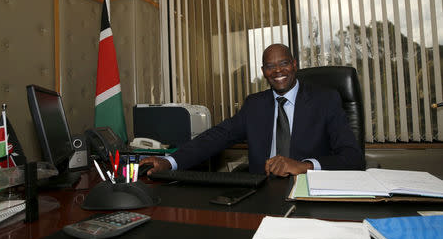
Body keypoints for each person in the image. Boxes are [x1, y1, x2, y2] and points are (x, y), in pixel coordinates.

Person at [140, 43, 365, 176]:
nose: (278, 70)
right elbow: (216, 136)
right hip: (262, 193)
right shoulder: (255, 105)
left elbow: (353, 158)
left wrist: (305, 166)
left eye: (284, 63)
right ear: (263, 71)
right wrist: (170, 161)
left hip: (309, 193)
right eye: (270, 66)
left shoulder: (325, 100)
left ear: (294, 65)